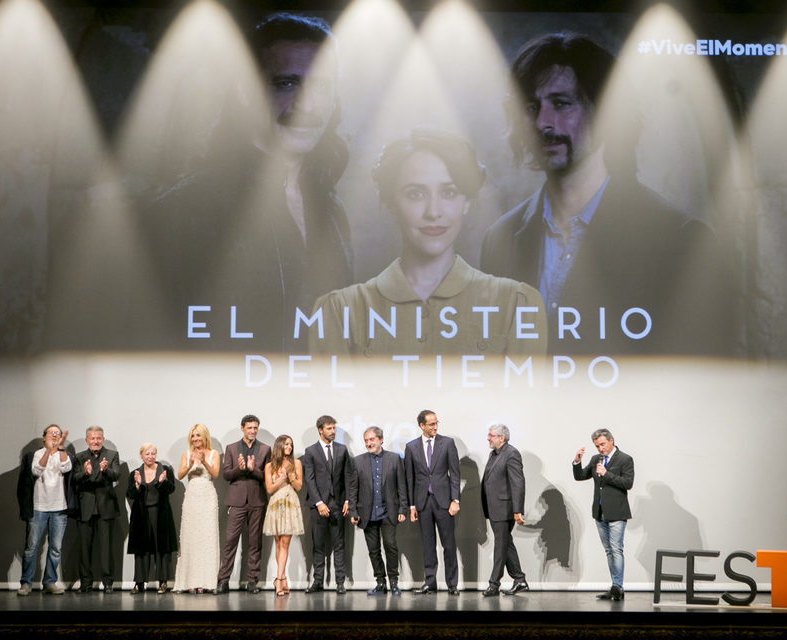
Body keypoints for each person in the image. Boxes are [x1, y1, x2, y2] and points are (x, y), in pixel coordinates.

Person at [481, 33, 733, 355]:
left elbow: (698, 377)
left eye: (561, 104)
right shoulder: (500, 238)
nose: (543, 122)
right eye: (532, 107)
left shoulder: (682, 241)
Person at [124, 11, 353, 353]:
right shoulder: (181, 210)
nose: (307, 104)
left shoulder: (333, 214)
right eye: (287, 83)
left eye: (321, 86)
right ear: (247, 92)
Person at [312, 129, 546, 355]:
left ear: (466, 202)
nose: (434, 212)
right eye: (416, 194)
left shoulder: (518, 306)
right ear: (392, 206)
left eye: (449, 193)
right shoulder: (338, 312)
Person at [572, 428, 634, 601]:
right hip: (600, 512)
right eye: (597, 446)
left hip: (617, 512)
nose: (600, 449)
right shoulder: (595, 459)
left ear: (611, 441)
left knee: (616, 549)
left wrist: (607, 474)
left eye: (602, 444)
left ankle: (618, 587)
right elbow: (581, 476)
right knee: (609, 550)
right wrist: (577, 462)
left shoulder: (625, 459)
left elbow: (627, 483)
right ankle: (615, 586)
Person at [404, 409, 460, 595]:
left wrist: (455, 500)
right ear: (421, 425)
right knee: (428, 545)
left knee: (449, 544)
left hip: (444, 501)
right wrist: (411, 506)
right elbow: (409, 478)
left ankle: (452, 584)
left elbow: (455, 474)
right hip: (423, 502)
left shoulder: (447, 443)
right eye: (431, 424)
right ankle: (430, 582)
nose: (435, 427)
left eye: (436, 423)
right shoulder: (411, 447)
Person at [349, 426, 408, 596]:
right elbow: (353, 489)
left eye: (372, 439)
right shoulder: (358, 461)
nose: (369, 443)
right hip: (367, 514)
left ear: (381, 440)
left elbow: (401, 487)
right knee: (373, 550)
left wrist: (403, 508)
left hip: (388, 512)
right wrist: (353, 511)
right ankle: (380, 582)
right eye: (366, 440)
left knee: (390, 546)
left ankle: (394, 582)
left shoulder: (394, 459)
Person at [16, 424, 75, 595]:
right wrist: (49, 451)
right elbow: (36, 470)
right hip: (39, 507)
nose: (55, 436)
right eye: (51, 433)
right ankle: (26, 583)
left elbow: (67, 468)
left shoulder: (65, 455)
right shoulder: (35, 455)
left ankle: (50, 582)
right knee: (31, 547)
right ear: (44, 437)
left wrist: (60, 449)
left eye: (58, 433)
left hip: (59, 508)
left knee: (55, 549)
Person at [217, 414, 271, 594]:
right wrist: (239, 469)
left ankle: (252, 581)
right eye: (250, 428)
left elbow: (266, 477)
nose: (253, 431)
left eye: (255, 428)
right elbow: (226, 475)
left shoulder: (265, 449)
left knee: (255, 542)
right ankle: (223, 580)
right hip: (237, 500)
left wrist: (252, 469)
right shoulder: (231, 448)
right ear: (242, 428)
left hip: (257, 500)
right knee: (230, 541)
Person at [303, 414, 354, 594]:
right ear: (320, 430)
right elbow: (309, 479)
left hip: (338, 504)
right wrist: (319, 503)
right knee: (318, 545)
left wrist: (348, 500)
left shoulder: (342, 449)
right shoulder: (310, 452)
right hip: (318, 506)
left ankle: (340, 582)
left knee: (339, 544)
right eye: (329, 428)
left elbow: (348, 476)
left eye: (334, 428)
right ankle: (318, 581)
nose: (333, 432)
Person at [480, 424, 529, 597]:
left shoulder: (512, 454)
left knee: (500, 545)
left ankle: (494, 584)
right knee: (505, 543)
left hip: (504, 508)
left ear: (502, 437)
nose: (488, 438)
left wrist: (517, 510)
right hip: (494, 508)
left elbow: (518, 483)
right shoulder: (493, 454)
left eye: (491, 435)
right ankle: (519, 579)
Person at [172, 424, 221, 594]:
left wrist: (204, 461)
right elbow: (179, 475)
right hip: (192, 497)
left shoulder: (214, 454)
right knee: (191, 538)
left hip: (208, 497)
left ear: (204, 437)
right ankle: (189, 581)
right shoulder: (186, 454)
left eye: (198, 436)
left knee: (207, 537)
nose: (195, 439)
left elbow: (215, 474)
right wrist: (191, 463)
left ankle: (207, 581)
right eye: (193, 436)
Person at [73, 425, 120, 593]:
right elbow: (75, 479)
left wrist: (105, 470)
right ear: (87, 440)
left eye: (98, 438)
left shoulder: (112, 455)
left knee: (106, 547)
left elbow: (116, 475)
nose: (95, 441)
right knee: (84, 548)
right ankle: (85, 583)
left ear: (103, 439)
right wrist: (86, 473)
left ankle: (108, 582)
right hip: (86, 507)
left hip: (105, 507)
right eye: (92, 438)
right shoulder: (79, 457)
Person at [126, 443, 178, 594]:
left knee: (161, 549)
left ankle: (163, 582)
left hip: (160, 515)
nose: (150, 457)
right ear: (141, 456)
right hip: (141, 516)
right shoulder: (135, 473)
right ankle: (139, 583)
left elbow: (171, 490)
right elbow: (130, 495)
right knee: (141, 551)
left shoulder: (165, 470)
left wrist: (163, 482)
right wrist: (136, 485)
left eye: (153, 454)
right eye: (147, 454)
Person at [263, 434, 304, 596]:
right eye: (286, 444)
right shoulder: (269, 466)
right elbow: (269, 489)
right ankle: (282, 578)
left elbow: (299, 486)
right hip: (275, 503)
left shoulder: (297, 463)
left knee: (285, 543)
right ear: (279, 446)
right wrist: (281, 479)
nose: (289, 447)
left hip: (289, 502)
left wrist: (290, 474)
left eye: (291, 445)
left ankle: (279, 580)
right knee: (278, 543)